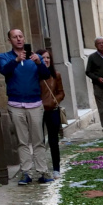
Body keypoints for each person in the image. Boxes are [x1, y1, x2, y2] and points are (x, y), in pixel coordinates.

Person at [0, 29, 51, 185]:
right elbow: (4, 71)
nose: (18, 39)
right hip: (16, 104)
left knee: (38, 139)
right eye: (15, 37)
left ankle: (42, 172)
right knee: (22, 140)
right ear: (9, 40)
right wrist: (16, 60)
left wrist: (39, 63)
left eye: (20, 36)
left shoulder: (36, 57)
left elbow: (46, 75)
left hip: (35, 104)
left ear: (24, 38)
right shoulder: (4, 57)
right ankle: (26, 172)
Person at [39, 48, 65, 177]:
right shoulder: (35, 75)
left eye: (48, 57)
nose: (46, 60)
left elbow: (61, 92)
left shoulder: (56, 74)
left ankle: (56, 168)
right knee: (39, 140)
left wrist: (55, 101)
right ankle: (41, 168)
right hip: (38, 111)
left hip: (53, 110)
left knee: (53, 140)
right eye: (43, 58)